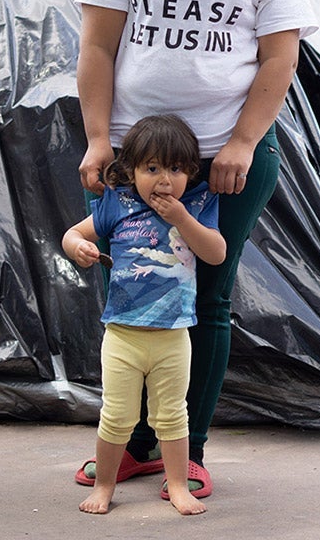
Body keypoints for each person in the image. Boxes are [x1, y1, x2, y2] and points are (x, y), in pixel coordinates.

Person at [71, 0, 319, 500]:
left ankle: (189, 447)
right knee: (133, 295)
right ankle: (137, 446)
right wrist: (98, 141)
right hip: (131, 158)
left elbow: (280, 57)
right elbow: (96, 48)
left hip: (224, 161)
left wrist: (241, 142)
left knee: (206, 299)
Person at [63, 115, 225, 516]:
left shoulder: (197, 205)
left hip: (173, 336)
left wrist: (181, 219)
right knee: (116, 415)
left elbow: (216, 253)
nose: (164, 180)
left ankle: (176, 486)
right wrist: (76, 247)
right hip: (123, 334)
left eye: (175, 169)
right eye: (152, 168)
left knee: (172, 415)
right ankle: (104, 485)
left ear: (190, 171)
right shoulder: (118, 204)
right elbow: (74, 233)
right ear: (131, 171)